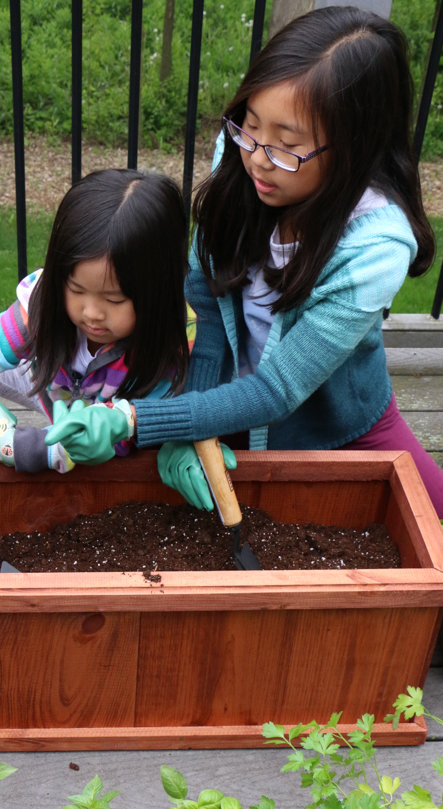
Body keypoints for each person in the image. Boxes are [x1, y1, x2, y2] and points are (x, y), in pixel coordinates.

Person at [46, 6, 443, 518]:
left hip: (339, 422)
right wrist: (189, 424)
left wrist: (134, 419)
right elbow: (208, 306)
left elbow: (279, 389)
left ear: (353, 147)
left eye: (287, 145)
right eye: (250, 126)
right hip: (226, 399)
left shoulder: (375, 250)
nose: (257, 156)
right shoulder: (244, 156)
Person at [0, 169, 194, 570]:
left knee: (71, 445)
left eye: (114, 298)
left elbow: (133, 437)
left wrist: (38, 450)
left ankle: (11, 438)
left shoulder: (171, 346)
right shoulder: (41, 311)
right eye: (76, 290)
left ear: (157, 293)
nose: (91, 313)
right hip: (50, 383)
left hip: (105, 420)